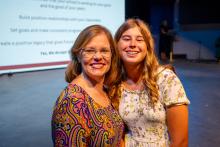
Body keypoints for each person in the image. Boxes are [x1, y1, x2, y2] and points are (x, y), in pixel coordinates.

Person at [113, 18, 190, 147]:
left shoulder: (166, 79)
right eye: (126, 39)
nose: (132, 44)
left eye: (139, 39)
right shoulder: (115, 83)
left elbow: (180, 142)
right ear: (116, 45)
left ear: (147, 46)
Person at [51, 25, 124, 146]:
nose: (98, 57)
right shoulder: (72, 103)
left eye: (104, 50)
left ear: (112, 55)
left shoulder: (105, 90)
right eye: (90, 50)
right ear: (78, 55)